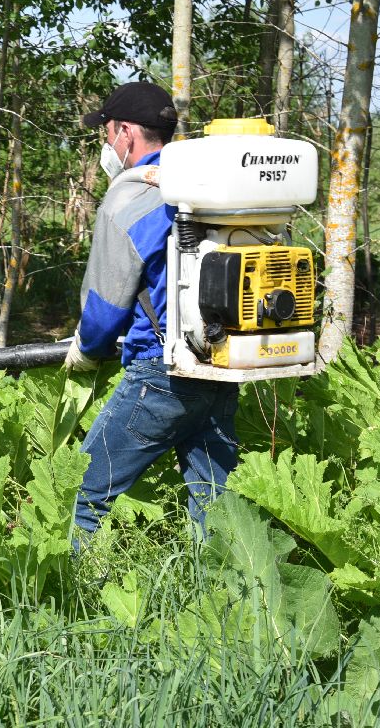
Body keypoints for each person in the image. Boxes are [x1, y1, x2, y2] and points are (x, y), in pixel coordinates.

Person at [66, 81, 239, 542]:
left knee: (80, 494)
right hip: (221, 366)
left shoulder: (131, 198)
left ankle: (71, 604)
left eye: (106, 133)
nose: (105, 144)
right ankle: (225, 605)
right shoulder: (208, 186)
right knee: (215, 507)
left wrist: (87, 350)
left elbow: (104, 311)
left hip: (161, 374)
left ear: (125, 132)